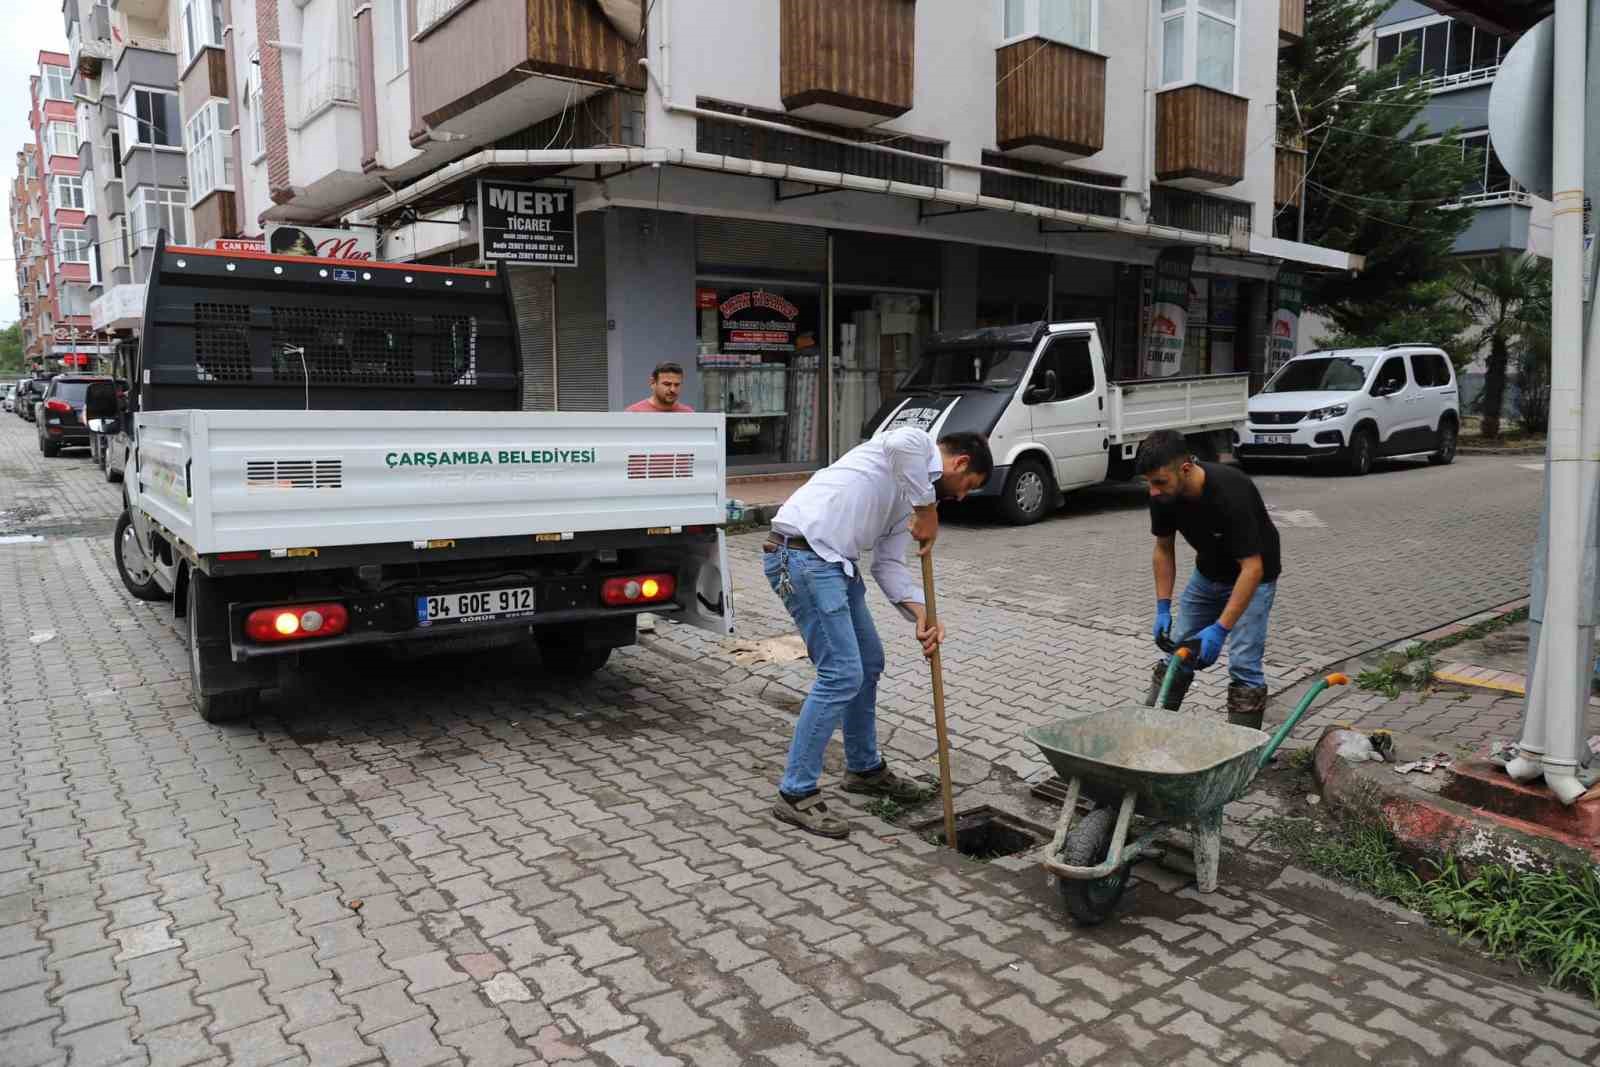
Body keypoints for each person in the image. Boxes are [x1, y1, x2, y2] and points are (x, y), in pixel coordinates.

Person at [764, 428, 993, 838]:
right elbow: (898, 444)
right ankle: (795, 793)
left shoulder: (907, 497)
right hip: (801, 557)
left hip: (835, 564)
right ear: (959, 464)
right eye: (967, 486)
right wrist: (928, 509)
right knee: (841, 673)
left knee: (868, 663)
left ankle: (864, 769)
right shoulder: (916, 446)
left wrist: (923, 615)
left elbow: (887, 566)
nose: (960, 498)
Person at [1137, 430, 1281, 729]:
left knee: (1243, 664)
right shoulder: (1162, 495)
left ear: (1186, 468)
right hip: (1208, 574)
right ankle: (1149, 729)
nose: (1153, 491)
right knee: (1177, 650)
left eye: (1159, 482)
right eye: (1149, 483)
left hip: (1254, 577)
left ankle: (1241, 751)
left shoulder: (1231, 491)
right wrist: (1163, 607)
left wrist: (1219, 629)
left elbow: (1252, 568)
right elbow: (1163, 550)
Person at [625, 362, 695, 413]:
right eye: (667, 384)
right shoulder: (634, 413)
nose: (672, 389)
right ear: (653, 383)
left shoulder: (688, 414)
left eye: (677, 385)